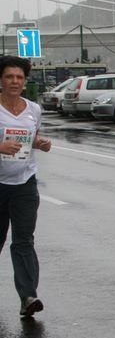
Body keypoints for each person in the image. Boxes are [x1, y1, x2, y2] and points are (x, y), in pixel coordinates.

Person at [0, 56, 52, 318]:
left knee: (23, 241)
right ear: (1, 80)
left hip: (24, 183)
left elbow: (30, 138)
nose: (15, 81)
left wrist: (39, 142)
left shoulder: (33, 109)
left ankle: (28, 296)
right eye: (9, 76)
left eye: (19, 77)